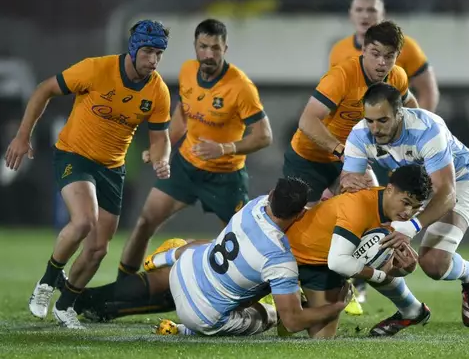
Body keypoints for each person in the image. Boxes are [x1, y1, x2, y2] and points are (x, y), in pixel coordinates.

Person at [4, 20, 173, 329]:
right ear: (134, 48)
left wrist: (162, 158)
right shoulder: (96, 69)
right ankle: (46, 282)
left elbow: (161, 137)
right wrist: (22, 135)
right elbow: (45, 89)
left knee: (97, 249)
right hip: (74, 155)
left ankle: (66, 304)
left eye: (159, 53)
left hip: (112, 168)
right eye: (148, 51)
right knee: (84, 220)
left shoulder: (158, 91)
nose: (153, 60)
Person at [81, 178, 353, 337]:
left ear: (271, 196)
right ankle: (182, 329)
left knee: (214, 251)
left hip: (185, 269)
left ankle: (165, 258)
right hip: (198, 314)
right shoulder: (280, 259)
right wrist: (335, 307)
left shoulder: (255, 204)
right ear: (299, 215)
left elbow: (295, 210)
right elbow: (292, 321)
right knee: (270, 315)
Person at [116, 19, 273, 282]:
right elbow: (182, 114)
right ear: (195, 46)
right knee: (145, 222)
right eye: (203, 47)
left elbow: (264, 136)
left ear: (225, 48)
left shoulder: (241, 87)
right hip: (186, 167)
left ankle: (256, 292)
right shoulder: (188, 71)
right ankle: (124, 286)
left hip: (225, 178)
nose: (209, 54)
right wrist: (162, 147)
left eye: (215, 48)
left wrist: (224, 148)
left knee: (240, 244)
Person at [286, 20, 418, 311]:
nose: (382, 62)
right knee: (300, 229)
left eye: (389, 55)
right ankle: (284, 286)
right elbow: (307, 120)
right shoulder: (342, 75)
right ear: (364, 50)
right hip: (309, 157)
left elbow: (412, 110)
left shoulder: (397, 78)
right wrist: (341, 150)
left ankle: (360, 284)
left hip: (353, 159)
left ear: (397, 56)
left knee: (377, 216)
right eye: (375, 53)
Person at [341, 82, 469, 327]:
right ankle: (410, 309)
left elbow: (447, 193)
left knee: (433, 265)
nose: (375, 128)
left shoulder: (427, 128)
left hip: (457, 183)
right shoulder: (359, 134)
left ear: (401, 113)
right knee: (378, 253)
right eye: (370, 120)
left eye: (383, 120)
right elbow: (350, 189)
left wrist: (410, 228)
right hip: (409, 189)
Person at [286, 164, 431, 337]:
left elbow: (379, 266)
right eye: (406, 203)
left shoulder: (395, 217)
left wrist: (405, 269)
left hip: (322, 268)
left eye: (416, 208)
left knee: (322, 338)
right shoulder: (359, 205)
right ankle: (281, 308)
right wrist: (379, 275)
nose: (408, 212)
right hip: (288, 257)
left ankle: (299, 304)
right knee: (271, 318)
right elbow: (340, 262)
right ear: (390, 189)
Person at [329, 0, 439, 112]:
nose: (365, 15)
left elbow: (428, 92)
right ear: (351, 15)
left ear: (383, 14)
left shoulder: (406, 46)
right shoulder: (338, 50)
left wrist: (418, 127)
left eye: (371, 10)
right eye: (359, 10)